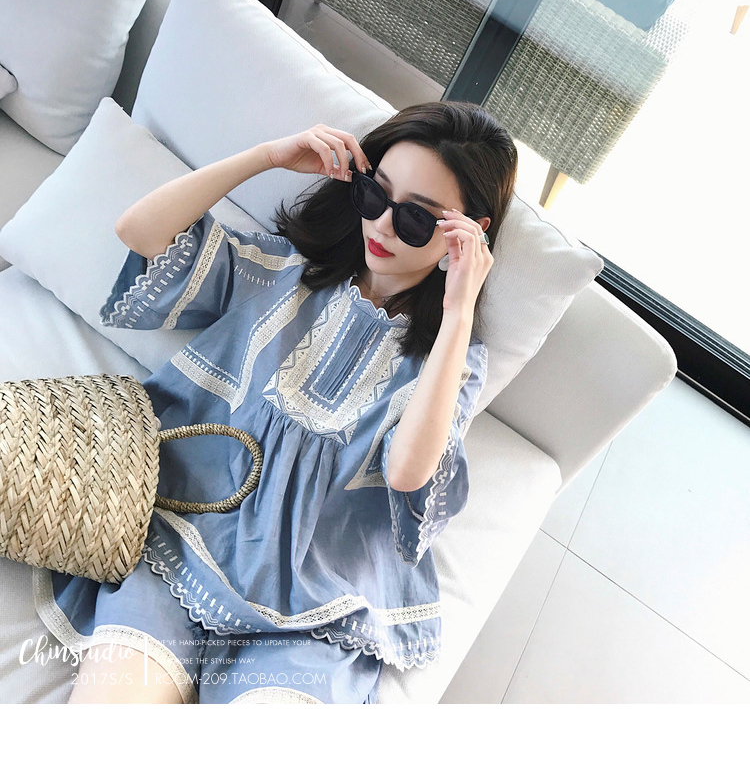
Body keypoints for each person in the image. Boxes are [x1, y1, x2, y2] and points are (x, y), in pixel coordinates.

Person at [44, 100, 517, 704]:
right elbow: (139, 231)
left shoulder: (451, 362)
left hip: (318, 605)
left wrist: (458, 310)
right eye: (375, 195)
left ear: (468, 232)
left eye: (417, 220)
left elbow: (407, 472)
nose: (381, 226)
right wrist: (266, 157)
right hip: (180, 545)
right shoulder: (281, 273)